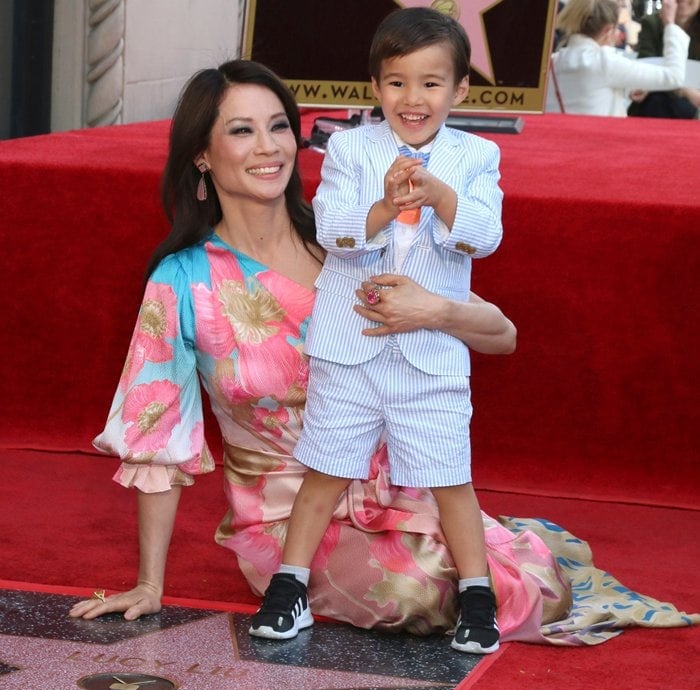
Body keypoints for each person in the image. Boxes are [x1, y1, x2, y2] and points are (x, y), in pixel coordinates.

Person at [66, 58, 526, 635]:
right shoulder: (183, 281)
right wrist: (150, 583)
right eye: (241, 130)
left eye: (280, 125)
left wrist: (438, 311)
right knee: (414, 593)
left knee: (494, 580)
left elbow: (502, 337)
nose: (269, 147)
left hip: (406, 484)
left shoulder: (355, 239)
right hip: (285, 517)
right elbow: (157, 434)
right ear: (201, 156)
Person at [249, 7, 502, 655]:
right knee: (325, 469)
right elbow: (331, 229)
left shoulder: (477, 156)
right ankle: (289, 584)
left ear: (460, 89)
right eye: (396, 82)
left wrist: (438, 194)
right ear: (375, 87)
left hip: (431, 353)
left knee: (451, 476)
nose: (412, 98)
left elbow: (484, 236)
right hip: (350, 346)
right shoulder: (351, 148)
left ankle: (478, 596)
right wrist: (387, 205)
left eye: (430, 83)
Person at [547, 0, 690, 115]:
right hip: (598, 145)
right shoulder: (606, 62)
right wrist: (670, 25)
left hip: (558, 145)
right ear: (608, 30)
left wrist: (625, 89)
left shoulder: (552, 62)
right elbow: (673, 77)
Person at [628, 0, 700, 118]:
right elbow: (647, 72)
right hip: (655, 104)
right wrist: (686, 90)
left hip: (692, 111)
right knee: (657, 101)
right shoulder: (651, 23)